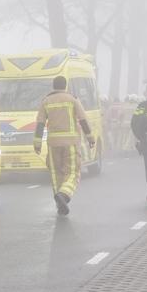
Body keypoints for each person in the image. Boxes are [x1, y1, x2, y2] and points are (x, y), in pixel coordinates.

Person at [38, 75, 95, 217]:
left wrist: (37, 143)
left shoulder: (46, 101)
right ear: (65, 86)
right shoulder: (72, 99)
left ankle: (59, 204)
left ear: (53, 86)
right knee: (72, 173)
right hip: (70, 143)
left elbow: (39, 123)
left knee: (55, 173)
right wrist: (90, 137)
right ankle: (64, 195)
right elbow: (83, 120)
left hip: (52, 144)